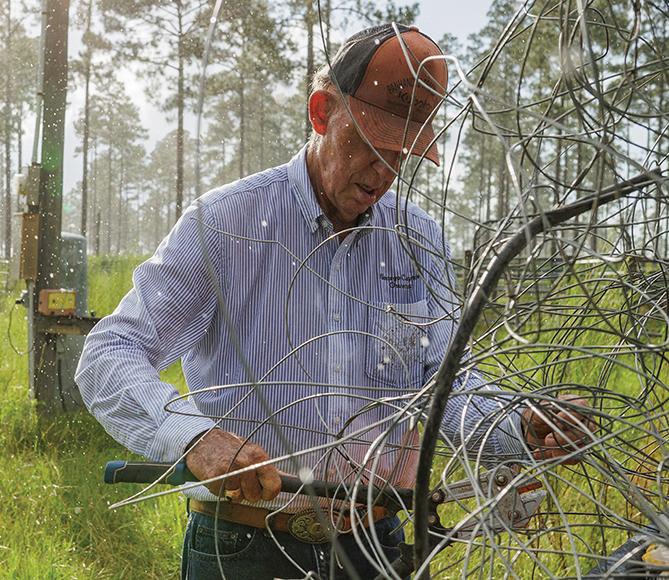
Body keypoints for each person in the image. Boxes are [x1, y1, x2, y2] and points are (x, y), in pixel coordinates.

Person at [76, 23, 593, 580]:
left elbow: (447, 386)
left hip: (381, 545)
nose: (384, 172)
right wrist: (194, 439)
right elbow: (110, 353)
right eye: (370, 146)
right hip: (246, 547)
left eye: (403, 155)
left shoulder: (418, 241)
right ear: (322, 112)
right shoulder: (226, 224)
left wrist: (521, 425)